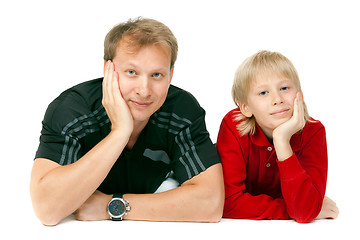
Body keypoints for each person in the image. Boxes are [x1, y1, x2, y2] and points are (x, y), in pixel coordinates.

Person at [30, 17, 224, 226]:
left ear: (170, 75)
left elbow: (210, 203)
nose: (144, 90)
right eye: (131, 72)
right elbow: (47, 209)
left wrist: (112, 206)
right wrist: (120, 132)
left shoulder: (182, 111)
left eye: (157, 75)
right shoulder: (72, 110)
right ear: (108, 70)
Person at [216, 50, 339, 223]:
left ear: (300, 96)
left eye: (284, 88)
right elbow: (228, 202)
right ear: (246, 108)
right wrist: (294, 210)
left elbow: (304, 213)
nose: (277, 99)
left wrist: (281, 141)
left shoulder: (314, 132)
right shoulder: (233, 126)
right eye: (263, 93)